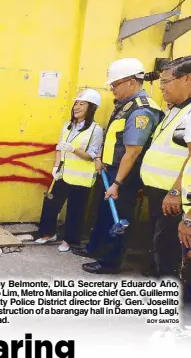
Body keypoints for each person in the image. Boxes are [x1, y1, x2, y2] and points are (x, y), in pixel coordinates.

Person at [74, 57, 162, 274]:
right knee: (103, 212)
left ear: (131, 82)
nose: (112, 88)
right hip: (111, 168)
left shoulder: (141, 110)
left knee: (118, 217)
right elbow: (116, 139)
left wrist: (117, 183)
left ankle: (110, 261)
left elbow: (133, 152)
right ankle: (95, 248)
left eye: (115, 84)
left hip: (125, 174)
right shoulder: (126, 105)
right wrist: (101, 160)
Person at [34, 89, 104, 252]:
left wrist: (73, 150)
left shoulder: (95, 130)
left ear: (91, 108)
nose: (77, 107)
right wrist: (56, 166)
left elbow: (92, 155)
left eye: (82, 104)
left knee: (75, 210)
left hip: (81, 177)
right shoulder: (67, 125)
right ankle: (47, 233)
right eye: (76, 104)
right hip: (63, 174)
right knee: (51, 203)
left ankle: (68, 240)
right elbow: (59, 147)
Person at [140, 56, 191, 278]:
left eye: (166, 81)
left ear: (187, 78)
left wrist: (175, 191)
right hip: (159, 191)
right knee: (159, 244)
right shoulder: (176, 109)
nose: (161, 87)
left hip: (173, 196)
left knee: (168, 248)